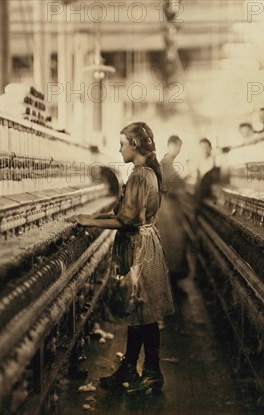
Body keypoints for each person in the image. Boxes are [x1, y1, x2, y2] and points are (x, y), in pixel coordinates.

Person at [66, 121, 175, 395]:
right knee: (140, 312)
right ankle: (130, 368)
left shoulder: (140, 176)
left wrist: (91, 223)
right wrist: (89, 217)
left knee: (143, 312)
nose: (119, 148)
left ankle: (152, 373)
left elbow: (126, 221)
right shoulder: (145, 172)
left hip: (138, 247)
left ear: (134, 145)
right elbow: (121, 213)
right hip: (143, 244)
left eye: (122, 143)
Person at [158, 135, 188, 295]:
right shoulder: (166, 163)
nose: (178, 151)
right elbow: (174, 182)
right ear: (170, 146)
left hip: (169, 208)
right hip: (166, 210)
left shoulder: (166, 163)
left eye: (180, 148)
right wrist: (184, 182)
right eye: (177, 147)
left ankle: (172, 283)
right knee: (173, 243)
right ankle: (171, 285)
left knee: (173, 243)